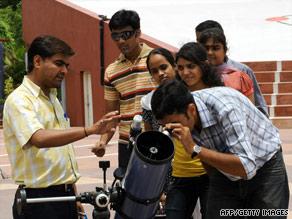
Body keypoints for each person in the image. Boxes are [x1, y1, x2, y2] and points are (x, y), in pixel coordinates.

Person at [3, 35, 121, 219]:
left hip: (64, 196)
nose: (65, 71)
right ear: (37, 61)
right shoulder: (20, 100)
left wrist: (73, 194)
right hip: (38, 201)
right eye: (59, 63)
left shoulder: (52, 99)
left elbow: (62, 153)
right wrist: (89, 130)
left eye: (66, 65)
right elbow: (39, 138)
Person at [151, 80, 289, 219]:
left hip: (265, 164)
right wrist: (217, 184)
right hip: (225, 171)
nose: (173, 130)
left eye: (175, 123)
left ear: (191, 110)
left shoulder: (226, 108)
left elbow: (246, 167)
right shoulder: (183, 118)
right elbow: (204, 157)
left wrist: (195, 149)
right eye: (166, 126)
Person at [91, 9, 156, 170]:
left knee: (161, 192)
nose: (121, 40)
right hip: (127, 143)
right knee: (129, 193)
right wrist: (103, 141)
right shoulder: (112, 71)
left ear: (138, 33)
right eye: (115, 36)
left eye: (126, 34)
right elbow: (112, 116)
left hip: (157, 140)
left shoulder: (157, 61)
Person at [195, 20, 269, 117]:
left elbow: (256, 108)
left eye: (215, 47)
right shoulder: (194, 73)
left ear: (224, 48)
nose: (209, 52)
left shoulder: (241, 73)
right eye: (204, 46)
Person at [198, 28, 255, 103]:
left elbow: (250, 110)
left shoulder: (240, 78)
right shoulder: (194, 76)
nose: (210, 53)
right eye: (206, 48)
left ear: (225, 51)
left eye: (215, 48)